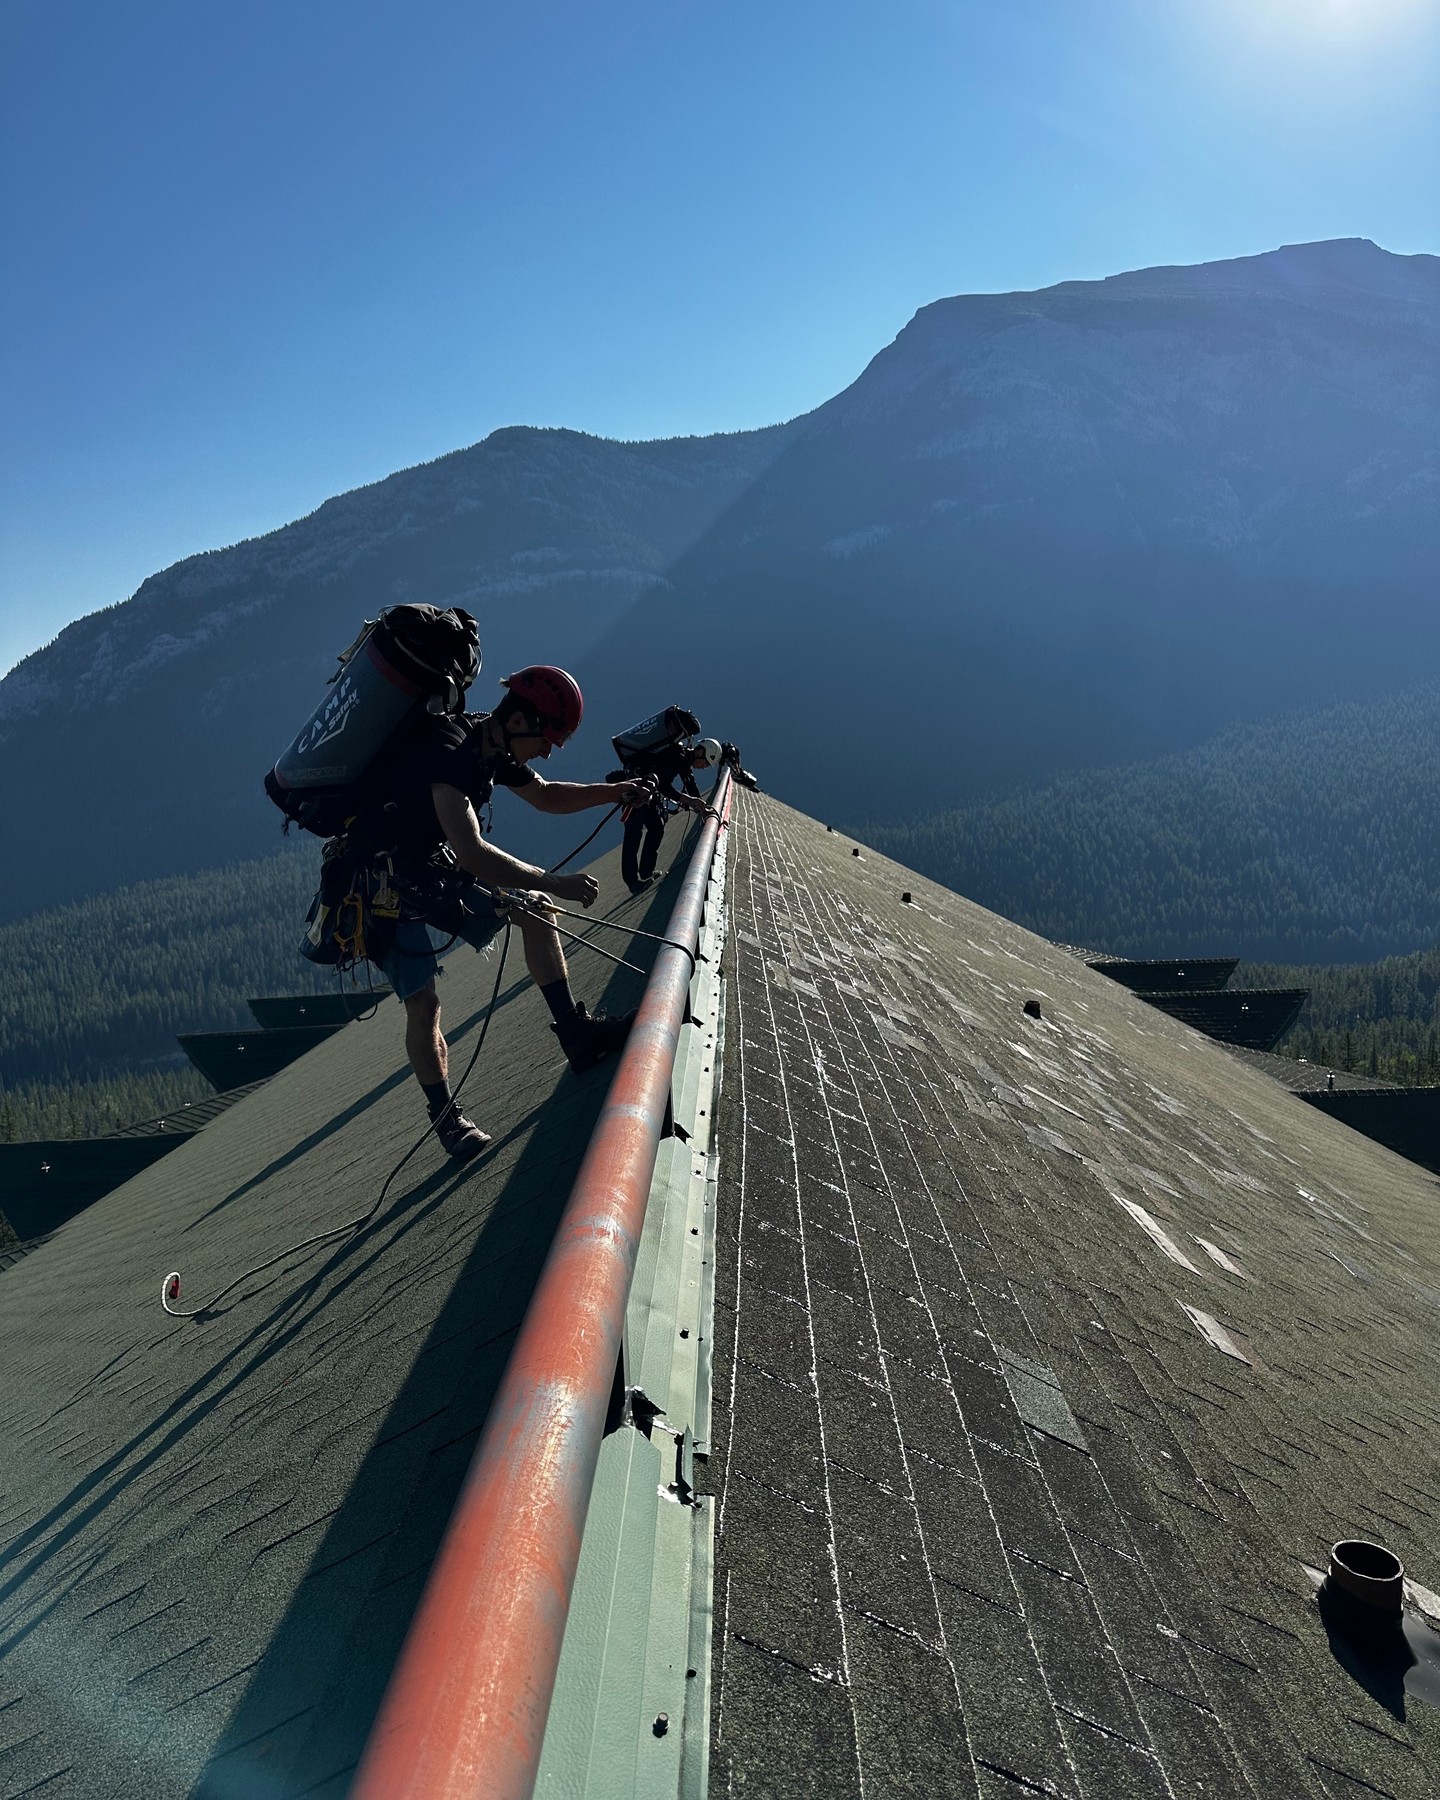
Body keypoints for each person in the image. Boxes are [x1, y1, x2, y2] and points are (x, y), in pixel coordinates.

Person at [321, 665, 649, 1161]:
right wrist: (554, 881)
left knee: (534, 911)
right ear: (520, 721)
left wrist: (615, 791)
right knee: (424, 1004)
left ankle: (576, 1037)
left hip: (426, 870)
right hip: (377, 886)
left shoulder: (488, 744)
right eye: (547, 737)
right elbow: (472, 853)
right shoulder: (452, 751)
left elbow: (545, 795)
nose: (549, 749)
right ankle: (446, 1119)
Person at [610, 728, 722, 895]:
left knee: (656, 827)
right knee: (634, 834)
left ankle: (647, 872)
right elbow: (664, 786)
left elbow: (690, 783)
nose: (703, 767)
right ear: (700, 752)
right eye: (705, 763)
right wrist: (689, 801)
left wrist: (702, 807)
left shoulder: (683, 759)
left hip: (645, 792)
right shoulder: (678, 756)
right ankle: (633, 882)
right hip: (635, 792)